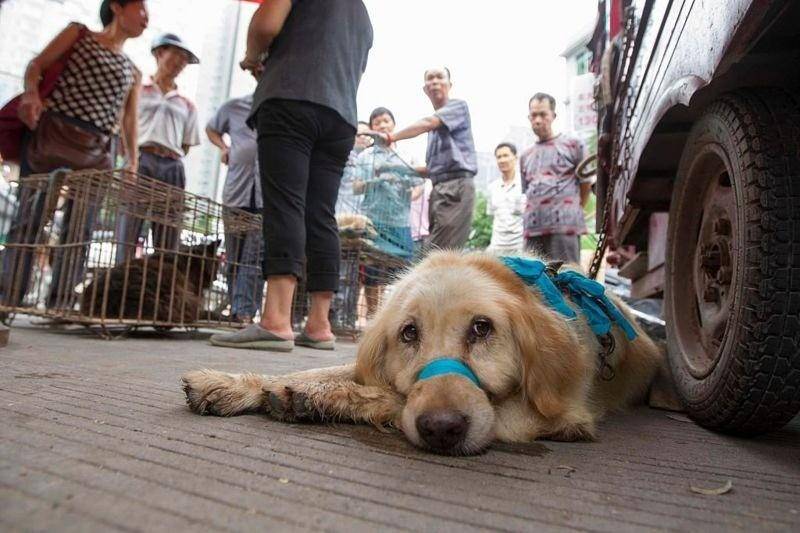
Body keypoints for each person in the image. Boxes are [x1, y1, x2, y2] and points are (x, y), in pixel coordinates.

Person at [209, 0, 373, 352]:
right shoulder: (362, 14)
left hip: (290, 99)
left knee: (285, 203)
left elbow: (265, 24)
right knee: (321, 213)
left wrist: (253, 59)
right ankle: (319, 324)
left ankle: (276, 321)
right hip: (341, 117)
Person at [0, 0, 146, 313]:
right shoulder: (78, 34)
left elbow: (129, 121)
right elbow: (36, 66)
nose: (146, 17)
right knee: (30, 219)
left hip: (97, 150)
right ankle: (8, 298)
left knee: (80, 229)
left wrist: (132, 161)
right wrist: (31, 94)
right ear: (118, 8)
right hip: (54, 134)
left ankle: (61, 304)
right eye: (141, 8)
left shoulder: (133, 71)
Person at [116, 32, 200, 261]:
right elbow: (122, 126)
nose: (179, 63)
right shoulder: (138, 90)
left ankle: (159, 286)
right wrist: (129, 160)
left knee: (168, 235)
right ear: (159, 54)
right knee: (128, 227)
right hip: (141, 159)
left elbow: (186, 143)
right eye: (176, 56)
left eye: (184, 59)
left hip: (172, 165)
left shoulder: (187, 104)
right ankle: (122, 284)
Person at [374, 67, 477, 251]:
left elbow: (427, 123)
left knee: (440, 253)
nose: (435, 81)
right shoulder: (433, 134)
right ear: (425, 88)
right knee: (436, 251)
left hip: (456, 188)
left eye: (439, 77)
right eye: (430, 78)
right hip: (439, 190)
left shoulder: (457, 107)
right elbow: (430, 170)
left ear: (449, 84)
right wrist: (391, 168)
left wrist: (391, 137)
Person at [353, 106, 423, 316]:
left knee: (402, 273)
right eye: (377, 123)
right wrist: (376, 180)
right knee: (372, 273)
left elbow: (419, 185)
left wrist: (409, 194)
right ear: (373, 129)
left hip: (400, 222)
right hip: (373, 221)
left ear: (393, 125)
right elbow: (356, 187)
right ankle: (374, 316)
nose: (382, 125)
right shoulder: (365, 157)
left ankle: (396, 317)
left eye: (386, 121)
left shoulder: (406, 156)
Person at [206, 94, 264, 324]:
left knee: (254, 259)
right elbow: (211, 129)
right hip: (235, 194)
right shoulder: (234, 106)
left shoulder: (278, 107)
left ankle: (244, 313)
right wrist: (224, 147)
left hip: (263, 199)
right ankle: (236, 308)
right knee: (234, 258)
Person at [520, 92, 590, 264]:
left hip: (564, 227)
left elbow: (585, 183)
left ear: (553, 116)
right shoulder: (525, 155)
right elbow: (526, 190)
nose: (537, 120)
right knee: (533, 285)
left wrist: (573, 207)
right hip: (532, 229)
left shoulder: (573, 144)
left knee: (567, 279)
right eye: (533, 115)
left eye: (543, 114)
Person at [487, 142, 525, 253]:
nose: (502, 160)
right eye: (499, 157)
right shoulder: (492, 187)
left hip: (521, 246)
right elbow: (491, 216)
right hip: (497, 246)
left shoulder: (525, 184)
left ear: (515, 157)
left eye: (506, 155)